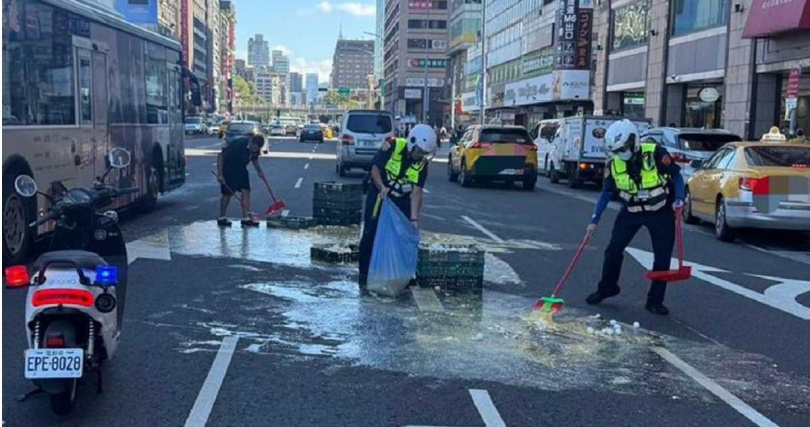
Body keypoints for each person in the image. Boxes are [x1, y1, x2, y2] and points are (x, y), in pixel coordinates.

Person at [585, 119, 685, 315]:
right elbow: (606, 193)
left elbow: (676, 176)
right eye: (615, 151)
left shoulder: (655, 152)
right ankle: (607, 287)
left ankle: (655, 301)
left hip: (660, 211)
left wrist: (679, 198)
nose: (620, 154)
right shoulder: (614, 163)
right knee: (613, 250)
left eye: (623, 148)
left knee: (662, 257)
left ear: (633, 141)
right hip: (630, 212)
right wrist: (594, 220)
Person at [358, 124, 437, 290]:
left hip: (401, 199)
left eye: (424, 153)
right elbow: (375, 170)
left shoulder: (422, 164)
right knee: (370, 233)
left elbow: (417, 192)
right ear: (411, 143)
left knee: (403, 235)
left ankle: (401, 275)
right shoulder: (393, 145)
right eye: (419, 152)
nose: (420, 156)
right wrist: (381, 188)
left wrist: (414, 219)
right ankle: (364, 275)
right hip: (381, 195)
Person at [217, 133, 266, 227]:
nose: (255, 150)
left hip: (241, 168)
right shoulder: (239, 144)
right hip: (229, 168)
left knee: (246, 190)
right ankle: (222, 217)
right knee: (227, 194)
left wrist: (259, 171)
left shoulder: (256, 148)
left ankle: (246, 218)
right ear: (251, 143)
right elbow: (220, 156)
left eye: (257, 149)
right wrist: (220, 175)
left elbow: (254, 159)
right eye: (254, 148)